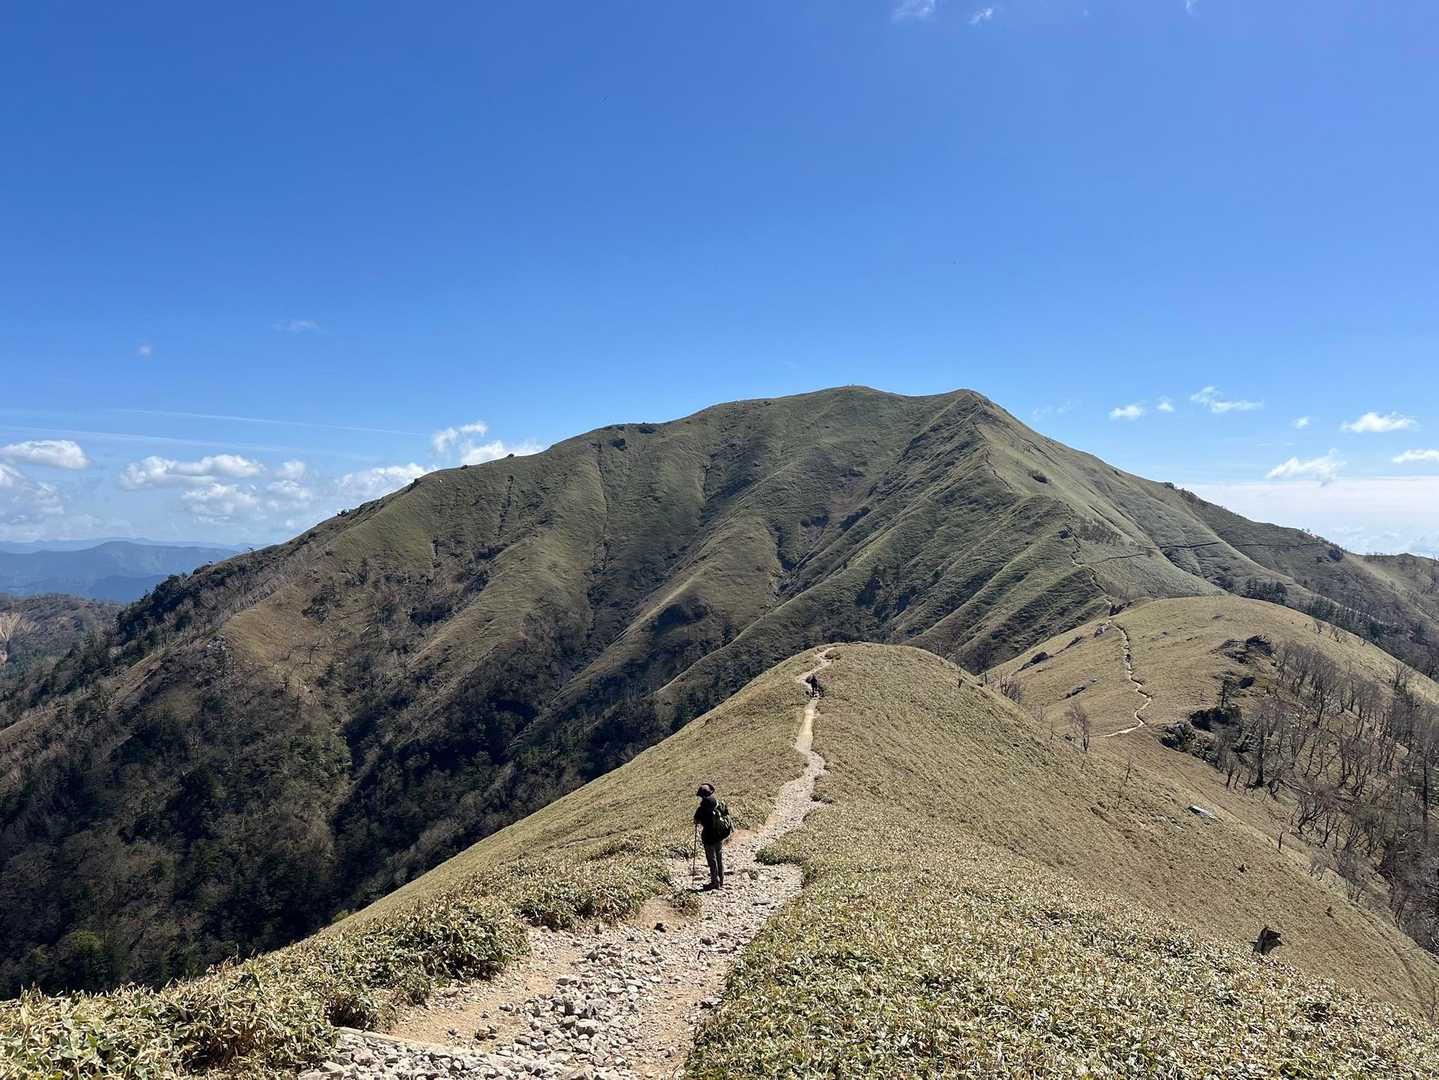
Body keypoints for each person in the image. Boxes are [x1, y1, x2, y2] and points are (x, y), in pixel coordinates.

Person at [693, 783, 728, 889]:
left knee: (712, 860)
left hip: (708, 837)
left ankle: (715, 882)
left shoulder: (702, 808)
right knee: (719, 858)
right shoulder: (718, 804)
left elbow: (696, 821)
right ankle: (721, 880)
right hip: (719, 835)